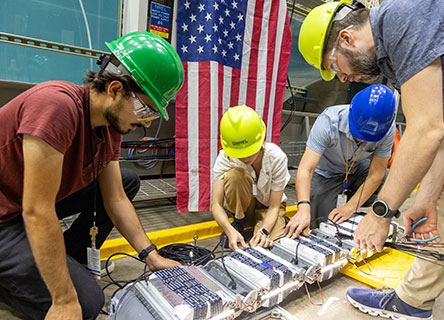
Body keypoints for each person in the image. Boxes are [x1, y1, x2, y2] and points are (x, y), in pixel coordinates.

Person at [297, 0, 444, 319]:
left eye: (333, 65)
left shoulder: (402, 15)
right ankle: (413, 301)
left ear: (345, 38)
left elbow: (427, 129)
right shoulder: (394, 67)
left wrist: (380, 215)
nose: (340, 78)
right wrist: (426, 200)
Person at [0, 31, 184, 320]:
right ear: (114, 89)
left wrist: (151, 256)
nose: (145, 122)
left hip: (25, 204)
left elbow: (116, 197)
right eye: (144, 108)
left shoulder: (108, 129)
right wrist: (63, 298)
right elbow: (36, 210)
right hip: (6, 217)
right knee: (85, 303)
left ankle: (66, 257)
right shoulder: (57, 106)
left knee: (126, 180)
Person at [287, 84, 396, 238]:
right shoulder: (328, 120)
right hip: (326, 173)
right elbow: (306, 169)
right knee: (323, 221)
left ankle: (356, 206)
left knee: (388, 179)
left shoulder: (387, 129)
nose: (361, 139)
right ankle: (329, 203)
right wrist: (303, 208)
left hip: (355, 169)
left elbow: (376, 175)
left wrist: (349, 208)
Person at [211, 105, 290, 250]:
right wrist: (229, 230)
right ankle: (238, 222)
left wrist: (264, 231)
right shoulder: (225, 157)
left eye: (250, 151)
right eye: (239, 153)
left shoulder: (276, 157)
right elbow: (216, 204)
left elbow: (274, 206)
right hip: (245, 208)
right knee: (235, 176)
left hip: (269, 207)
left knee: (271, 245)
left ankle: (272, 223)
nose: (245, 157)